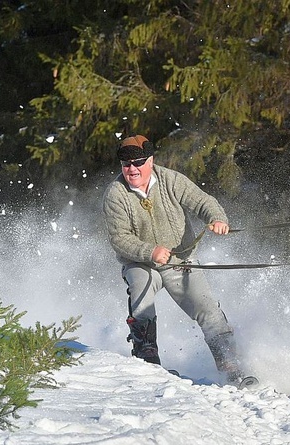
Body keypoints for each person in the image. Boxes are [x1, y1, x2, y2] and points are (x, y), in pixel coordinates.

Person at [102, 134, 245, 383]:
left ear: (150, 160)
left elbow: (201, 201)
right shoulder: (115, 194)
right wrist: (150, 251)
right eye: (126, 165)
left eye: (137, 163)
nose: (132, 169)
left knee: (206, 307)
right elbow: (119, 239)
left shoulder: (170, 179)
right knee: (140, 289)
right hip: (141, 263)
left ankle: (230, 364)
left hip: (180, 261)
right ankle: (147, 358)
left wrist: (216, 218)